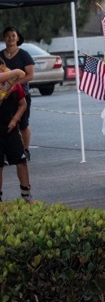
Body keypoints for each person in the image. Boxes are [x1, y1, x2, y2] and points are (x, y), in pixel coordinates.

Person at [1, 26, 34, 160]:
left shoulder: (24, 55)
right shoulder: (0, 55)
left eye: (13, 35)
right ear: (4, 38)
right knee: (5, 123)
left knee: (23, 124)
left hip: (21, 94)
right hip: (3, 97)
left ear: (18, 38)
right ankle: (5, 152)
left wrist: (14, 85)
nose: (10, 38)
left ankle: (25, 150)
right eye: (7, 35)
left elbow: (30, 75)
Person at [0, 65, 32, 201]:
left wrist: (15, 120)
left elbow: (22, 104)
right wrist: (16, 72)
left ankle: (26, 196)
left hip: (11, 129)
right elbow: (19, 73)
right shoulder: (11, 77)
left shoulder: (13, 85)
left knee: (21, 161)